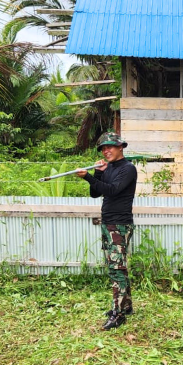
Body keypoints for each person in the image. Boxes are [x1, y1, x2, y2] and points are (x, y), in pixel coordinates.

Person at [52, 132, 139, 329]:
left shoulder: (128, 169)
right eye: (103, 148)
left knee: (116, 268)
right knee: (117, 267)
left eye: (109, 147)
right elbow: (95, 193)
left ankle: (118, 314)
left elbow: (113, 190)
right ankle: (125, 307)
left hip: (120, 224)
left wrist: (90, 177)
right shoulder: (109, 168)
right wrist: (98, 173)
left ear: (120, 147)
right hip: (108, 222)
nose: (106, 151)